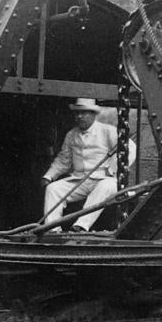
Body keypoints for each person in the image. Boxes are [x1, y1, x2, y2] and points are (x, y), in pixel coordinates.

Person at [41, 98, 136, 232]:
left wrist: (113, 169)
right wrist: (49, 176)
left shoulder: (107, 131)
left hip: (103, 179)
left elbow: (130, 148)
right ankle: (52, 229)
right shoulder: (71, 135)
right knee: (53, 189)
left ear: (93, 114)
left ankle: (80, 226)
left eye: (84, 113)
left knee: (107, 186)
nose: (80, 116)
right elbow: (64, 160)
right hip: (79, 180)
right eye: (77, 113)